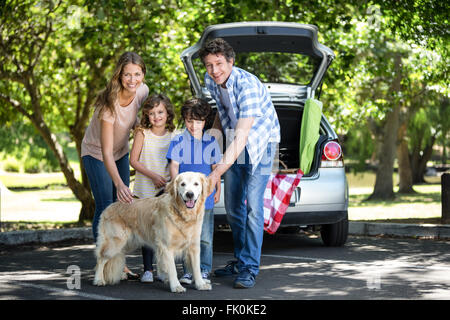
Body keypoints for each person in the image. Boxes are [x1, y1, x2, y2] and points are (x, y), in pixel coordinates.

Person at [199, 38, 280, 288]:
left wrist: (216, 172)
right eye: (209, 65)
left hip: (262, 143)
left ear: (231, 62)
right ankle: (240, 259)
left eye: (219, 64)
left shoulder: (249, 86)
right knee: (234, 208)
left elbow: (245, 135)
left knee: (254, 208)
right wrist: (207, 148)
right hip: (235, 140)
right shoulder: (209, 81)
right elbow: (221, 117)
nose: (214, 70)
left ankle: (249, 268)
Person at [81, 51, 149, 280]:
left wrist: (140, 126)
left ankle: (120, 264)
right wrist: (120, 183)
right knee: (105, 206)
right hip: (96, 153)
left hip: (119, 152)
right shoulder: (107, 105)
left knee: (122, 207)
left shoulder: (142, 91)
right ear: (119, 75)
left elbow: (134, 119)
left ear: (143, 74)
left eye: (137, 74)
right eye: (127, 74)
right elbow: (105, 152)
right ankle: (104, 263)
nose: (132, 79)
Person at [166, 98, 221, 285]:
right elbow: (174, 166)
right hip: (183, 199)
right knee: (183, 236)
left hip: (204, 199)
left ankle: (203, 270)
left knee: (204, 237)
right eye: (189, 121)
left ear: (205, 121)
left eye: (198, 121)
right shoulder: (178, 140)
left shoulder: (211, 142)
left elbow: (215, 169)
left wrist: (218, 189)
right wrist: (175, 189)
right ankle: (188, 272)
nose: (193, 125)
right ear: (184, 120)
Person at [129, 93, 176, 283]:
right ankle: (148, 269)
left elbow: (175, 163)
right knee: (146, 230)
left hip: (164, 191)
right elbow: (133, 161)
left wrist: (168, 184)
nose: (156, 116)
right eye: (152, 113)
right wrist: (153, 176)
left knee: (164, 231)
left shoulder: (175, 135)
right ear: (147, 115)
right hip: (145, 188)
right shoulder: (142, 132)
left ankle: (164, 270)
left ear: (167, 113)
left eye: (160, 112)